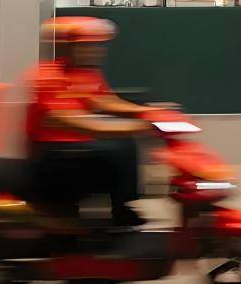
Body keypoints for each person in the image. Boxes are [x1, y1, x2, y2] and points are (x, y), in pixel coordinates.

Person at [25, 16, 150, 226]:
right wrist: (140, 126)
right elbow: (74, 122)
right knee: (118, 149)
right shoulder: (48, 76)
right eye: (87, 46)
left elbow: (105, 101)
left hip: (76, 146)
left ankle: (122, 208)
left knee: (126, 145)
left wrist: (149, 112)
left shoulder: (86, 74)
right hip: (53, 153)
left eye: (97, 46)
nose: (96, 51)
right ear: (68, 48)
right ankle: (115, 215)